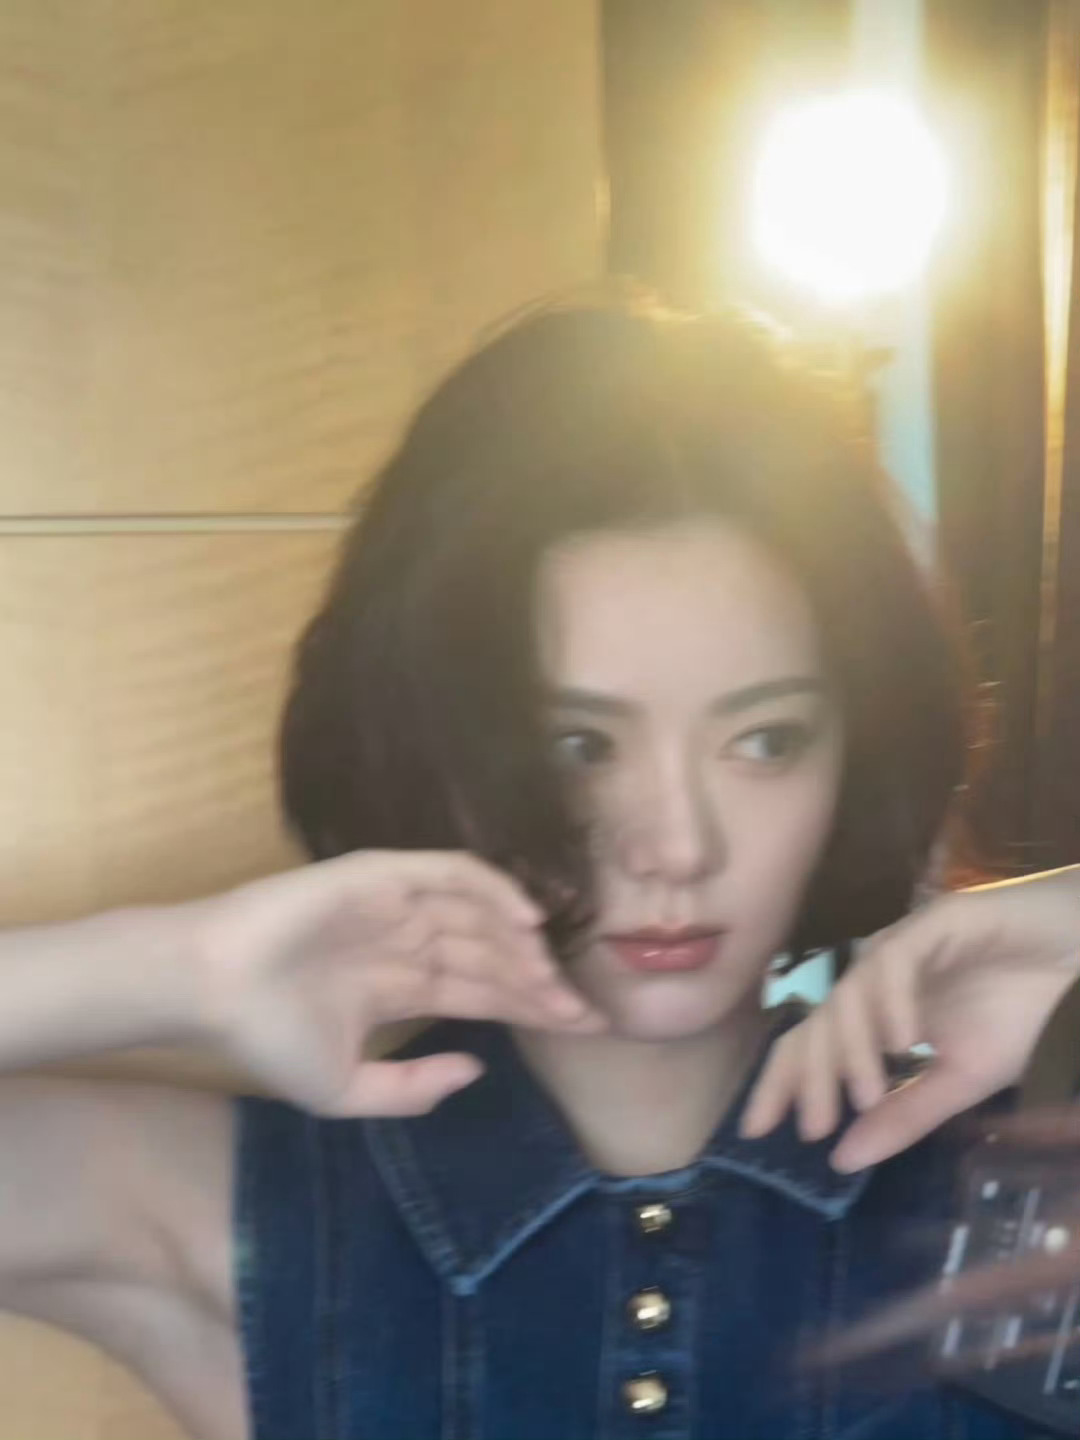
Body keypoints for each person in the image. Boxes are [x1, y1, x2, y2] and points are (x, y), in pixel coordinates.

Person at [0, 296, 1076, 1440]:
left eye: (766, 741)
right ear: (434, 745)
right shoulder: (241, 1223)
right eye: (579, 748)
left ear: (856, 748)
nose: (678, 846)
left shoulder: (1023, 1196)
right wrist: (188, 968)